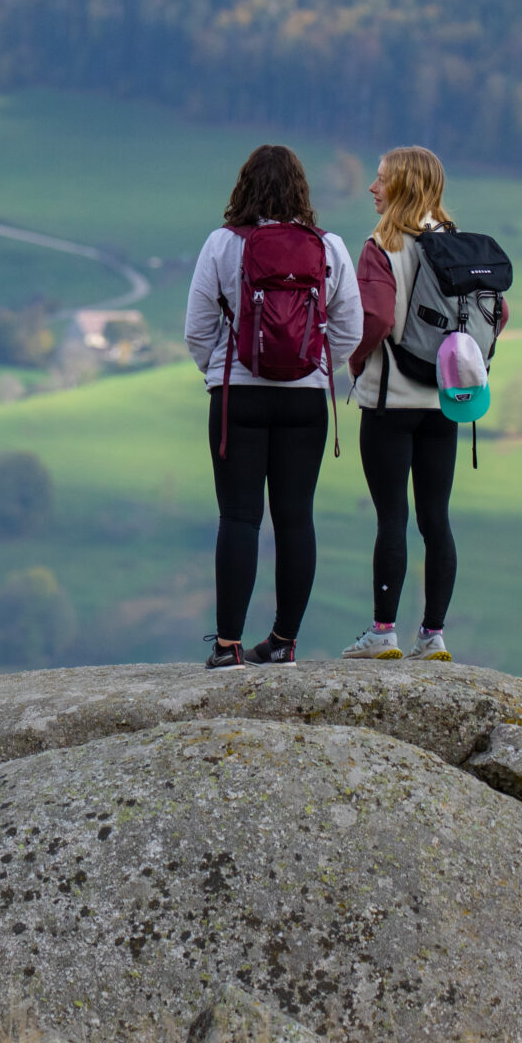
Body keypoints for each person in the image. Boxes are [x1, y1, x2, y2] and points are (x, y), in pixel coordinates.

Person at [185, 144, 362, 670]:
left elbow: (197, 330)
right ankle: (283, 641)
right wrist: (312, 366)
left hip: (237, 396)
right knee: (295, 518)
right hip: (305, 402)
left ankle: (227, 646)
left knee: (239, 516)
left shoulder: (222, 245)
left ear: (243, 186)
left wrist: (220, 370)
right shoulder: (330, 247)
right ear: (302, 191)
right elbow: (349, 329)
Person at [341, 146, 503, 663]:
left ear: (404, 188)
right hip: (446, 399)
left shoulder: (381, 247)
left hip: (390, 401)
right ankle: (432, 637)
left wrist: (354, 360)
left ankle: (383, 633)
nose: (372, 187)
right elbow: (497, 316)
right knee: (437, 517)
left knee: (392, 516)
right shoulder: (459, 248)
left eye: (382, 179)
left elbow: (377, 319)